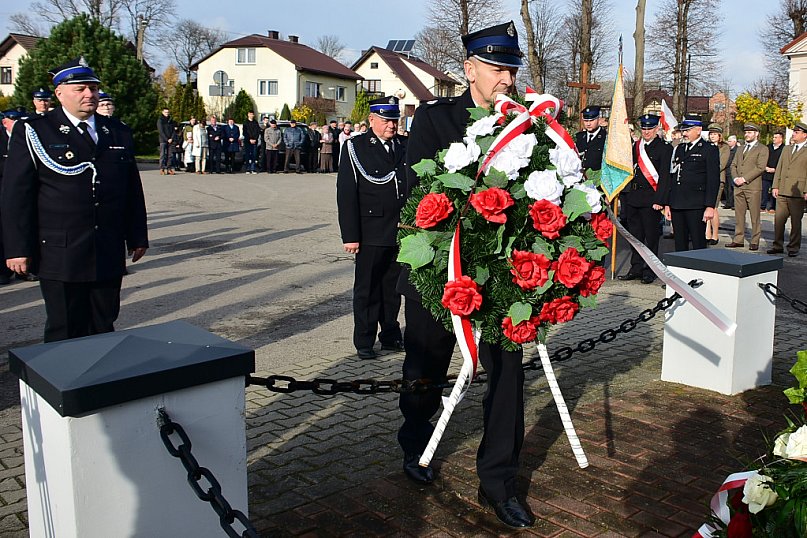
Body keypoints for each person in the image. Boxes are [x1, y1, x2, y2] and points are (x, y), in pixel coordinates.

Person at [397, 21, 535, 529]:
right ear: (469, 69)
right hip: (441, 265)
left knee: (507, 373)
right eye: (497, 67)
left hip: (502, 271)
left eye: (511, 69)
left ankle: (499, 483)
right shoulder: (435, 119)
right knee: (426, 357)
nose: (506, 78)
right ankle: (415, 443)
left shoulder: (528, 122)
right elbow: (425, 188)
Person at [1, 56, 148, 342]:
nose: (89, 94)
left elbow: (130, 189)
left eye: (92, 88)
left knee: (104, 323)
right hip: (60, 249)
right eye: (80, 89)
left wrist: (137, 235)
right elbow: (16, 195)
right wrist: (17, 248)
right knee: (65, 326)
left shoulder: (116, 130)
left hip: (106, 245)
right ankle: (64, 386)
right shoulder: (34, 131)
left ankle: (100, 382)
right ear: (59, 93)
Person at [337, 96, 406, 360]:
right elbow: (346, 193)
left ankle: (390, 334)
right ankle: (364, 340)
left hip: (400, 230)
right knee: (367, 289)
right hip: (371, 230)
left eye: (395, 120)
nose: (392, 125)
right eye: (387, 120)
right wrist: (351, 235)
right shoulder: (356, 147)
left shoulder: (403, 144)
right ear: (372, 120)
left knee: (392, 289)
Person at [618, 114, 671, 283]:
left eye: (650, 128)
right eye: (644, 128)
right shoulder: (636, 146)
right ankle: (636, 268)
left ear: (657, 129)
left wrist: (660, 200)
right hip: (633, 197)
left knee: (651, 236)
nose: (646, 132)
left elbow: (664, 177)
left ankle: (650, 269)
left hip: (651, 198)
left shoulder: (664, 148)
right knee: (635, 236)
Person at [656, 114, 720, 252]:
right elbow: (672, 177)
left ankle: (699, 271)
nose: (684, 133)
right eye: (683, 130)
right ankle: (681, 271)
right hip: (678, 203)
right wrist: (668, 203)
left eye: (688, 130)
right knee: (679, 242)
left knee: (698, 242)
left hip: (696, 203)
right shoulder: (679, 149)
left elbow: (713, 179)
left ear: (698, 130)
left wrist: (710, 206)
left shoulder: (709, 149)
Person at [726, 123, 768, 251]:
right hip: (738, 186)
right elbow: (733, 165)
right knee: (739, 214)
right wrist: (736, 178)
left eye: (750, 132)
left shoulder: (762, 149)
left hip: (752, 186)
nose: (747, 134)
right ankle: (738, 239)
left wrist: (744, 179)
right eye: (746, 132)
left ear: (756, 134)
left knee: (754, 215)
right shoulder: (740, 148)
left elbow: (760, 167)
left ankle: (755, 240)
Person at [768, 121, 807, 257]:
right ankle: (777, 245)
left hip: (798, 191)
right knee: (779, 220)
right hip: (783, 189)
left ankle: (793, 247)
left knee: (796, 222)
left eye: (797, 132)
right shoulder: (787, 149)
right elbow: (780, 168)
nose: (794, 134)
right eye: (794, 132)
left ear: (805, 135)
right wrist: (775, 185)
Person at [705, 124, 731, 245]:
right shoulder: (706, 146)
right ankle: (707, 232)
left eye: (715, 134)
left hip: (718, 179)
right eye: (711, 134)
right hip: (705, 179)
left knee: (713, 207)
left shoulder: (724, 147)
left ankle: (715, 234)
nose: (712, 136)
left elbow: (722, 164)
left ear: (720, 135)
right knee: (706, 207)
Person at [575, 105, 606, 172]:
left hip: (597, 178)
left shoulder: (605, 138)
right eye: (586, 121)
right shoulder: (578, 137)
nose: (588, 124)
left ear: (599, 120)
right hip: (578, 178)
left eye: (591, 120)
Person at [762, 131, 784, 214]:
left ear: (781, 139)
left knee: (774, 191)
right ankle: (762, 206)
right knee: (763, 189)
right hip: (766, 172)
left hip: (776, 173)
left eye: (776, 137)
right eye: (773, 137)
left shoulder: (784, 149)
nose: (773, 139)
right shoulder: (768, 147)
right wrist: (765, 167)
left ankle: (773, 207)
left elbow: (782, 162)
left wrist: (775, 169)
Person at [157, 107, 175, 175]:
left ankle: (169, 168)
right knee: (163, 155)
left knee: (170, 155)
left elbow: (173, 131)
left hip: (170, 140)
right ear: (162, 112)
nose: (167, 114)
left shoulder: (170, 120)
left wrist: (171, 138)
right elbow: (161, 131)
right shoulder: (160, 120)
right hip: (163, 140)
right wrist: (167, 139)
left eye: (168, 112)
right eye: (165, 112)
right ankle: (162, 168)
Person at [723, 135, 738, 209]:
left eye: (730, 141)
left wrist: (724, 164)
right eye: (728, 141)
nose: (728, 142)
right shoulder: (727, 149)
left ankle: (733, 204)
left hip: (731, 171)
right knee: (726, 188)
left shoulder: (736, 150)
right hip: (726, 171)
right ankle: (728, 203)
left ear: (734, 142)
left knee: (731, 188)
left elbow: (731, 161)